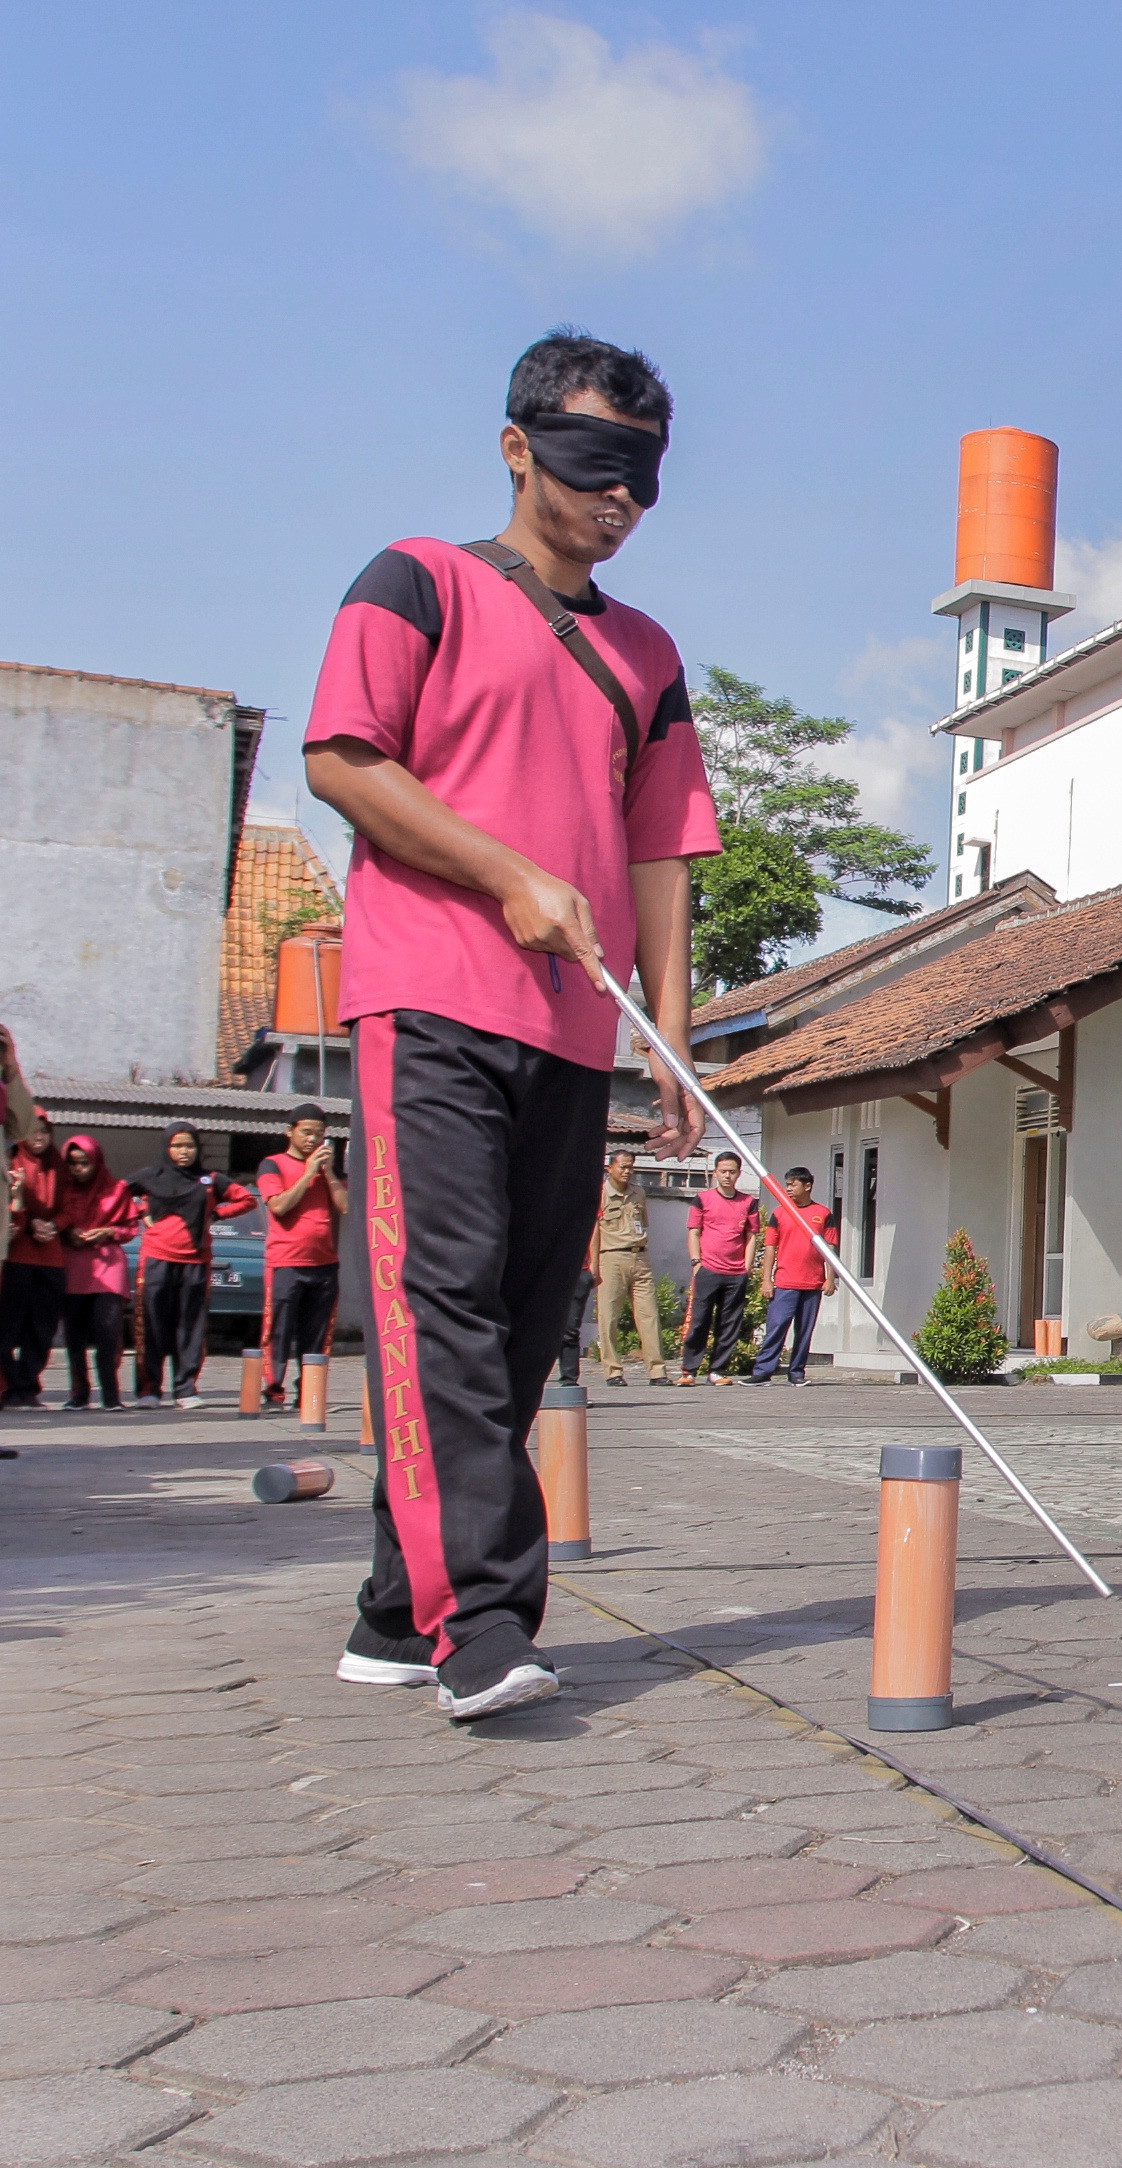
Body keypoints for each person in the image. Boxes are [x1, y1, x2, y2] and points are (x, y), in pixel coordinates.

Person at [302, 329, 715, 1724]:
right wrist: (506, 873)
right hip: (428, 995)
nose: (620, 499)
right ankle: (479, 1620)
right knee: (445, 1308)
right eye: (597, 463)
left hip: (571, 1028)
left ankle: (384, 1608)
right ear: (518, 441)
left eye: (646, 477)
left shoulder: (648, 655)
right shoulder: (416, 579)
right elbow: (344, 759)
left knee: (528, 1327)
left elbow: (660, 857)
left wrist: (668, 1037)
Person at [132, 1125, 253, 1408]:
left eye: (189, 1146)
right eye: (177, 1146)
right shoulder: (150, 1177)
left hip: (195, 1262)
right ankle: (149, 1390)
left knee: (191, 1327)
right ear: (167, 1148)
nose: (183, 1152)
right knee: (152, 1324)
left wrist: (216, 1213)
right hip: (156, 1259)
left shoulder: (209, 1180)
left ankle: (185, 1389)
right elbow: (116, 1194)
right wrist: (140, 1213)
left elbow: (246, 1200)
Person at [256, 1105, 350, 1408]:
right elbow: (279, 1206)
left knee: (318, 1334)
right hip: (286, 1262)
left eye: (319, 1134)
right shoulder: (273, 1164)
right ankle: (273, 1390)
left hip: (325, 1264)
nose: (312, 1139)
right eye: (306, 1132)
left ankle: (308, 1394)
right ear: (290, 1132)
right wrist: (308, 1172)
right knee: (279, 1330)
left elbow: (346, 1207)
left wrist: (327, 1173)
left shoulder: (329, 1170)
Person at [51, 1136, 140, 1411]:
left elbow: (130, 1228)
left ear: (97, 1161)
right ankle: (79, 1394)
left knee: (108, 1334)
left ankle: (111, 1396)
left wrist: (108, 1231)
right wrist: (68, 1232)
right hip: (73, 1267)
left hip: (107, 1267)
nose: (79, 1169)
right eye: (73, 1164)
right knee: (75, 1337)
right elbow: (52, 1219)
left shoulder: (116, 1190)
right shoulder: (61, 1190)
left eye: (85, 1163)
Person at [754, 1167, 840, 1386]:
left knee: (804, 1331)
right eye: (787, 1184)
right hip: (785, 1282)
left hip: (812, 1283)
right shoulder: (780, 1213)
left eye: (793, 1184)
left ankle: (797, 1373)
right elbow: (770, 1247)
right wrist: (767, 1280)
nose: (788, 1189)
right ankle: (763, 1372)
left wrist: (830, 1279)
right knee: (777, 1326)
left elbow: (829, 1248)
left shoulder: (823, 1214)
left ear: (807, 1186)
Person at [680, 1153, 760, 1384]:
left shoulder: (748, 1202)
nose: (727, 1175)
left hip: (736, 1273)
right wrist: (696, 1262)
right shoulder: (702, 1199)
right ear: (715, 1172)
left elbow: (752, 1235)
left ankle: (718, 1371)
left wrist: (747, 1267)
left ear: (739, 1174)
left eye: (732, 1171)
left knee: (729, 1323)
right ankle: (689, 1370)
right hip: (708, 1269)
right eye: (723, 1171)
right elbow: (694, 1232)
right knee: (699, 1320)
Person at [4, 1100, 63, 1409]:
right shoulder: (11, 1161)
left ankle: (28, 1386)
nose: (39, 1137)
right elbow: (9, 1208)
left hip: (51, 1258)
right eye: (32, 1131)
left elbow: (69, 1206)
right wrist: (29, 1225)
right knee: (9, 1326)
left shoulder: (59, 1164)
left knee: (42, 1329)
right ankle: (11, 1385)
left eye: (45, 1131)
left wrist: (54, 1225)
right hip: (17, 1256)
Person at [590, 1148, 665, 1385]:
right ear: (609, 1168)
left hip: (640, 1257)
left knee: (649, 1315)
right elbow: (593, 1232)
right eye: (622, 1166)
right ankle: (613, 1371)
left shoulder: (638, 1193)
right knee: (608, 1317)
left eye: (631, 1167)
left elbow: (642, 1224)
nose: (627, 1171)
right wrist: (593, 1264)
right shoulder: (601, 1193)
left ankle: (657, 1371)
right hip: (611, 1258)